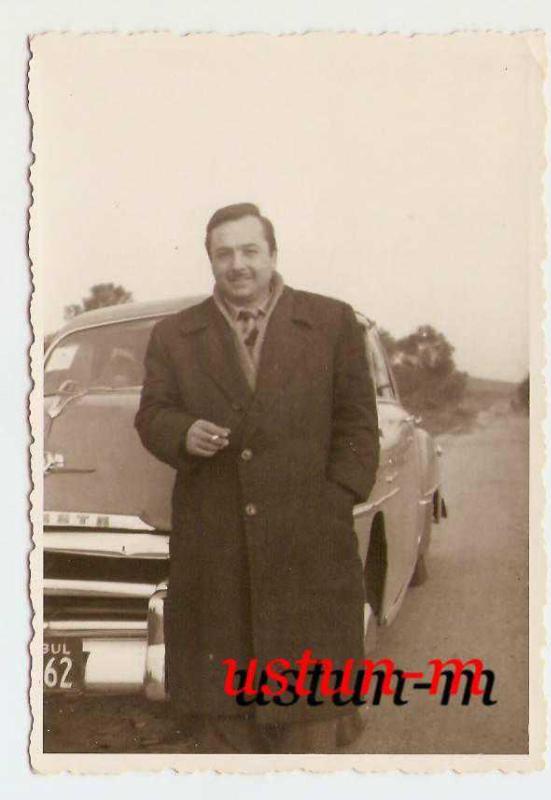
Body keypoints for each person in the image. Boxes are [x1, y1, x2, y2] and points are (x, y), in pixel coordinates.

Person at [135, 203, 379, 753]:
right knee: (225, 725)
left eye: (250, 250)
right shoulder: (175, 334)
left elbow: (359, 425)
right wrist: (181, 432)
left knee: (310, 722)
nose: (238, 264)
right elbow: (151, 414)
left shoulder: (331, 321)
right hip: (215, 550)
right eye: (224, 253)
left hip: (308, 548)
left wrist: (333, 500)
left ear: (272, 254)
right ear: (210, 260)